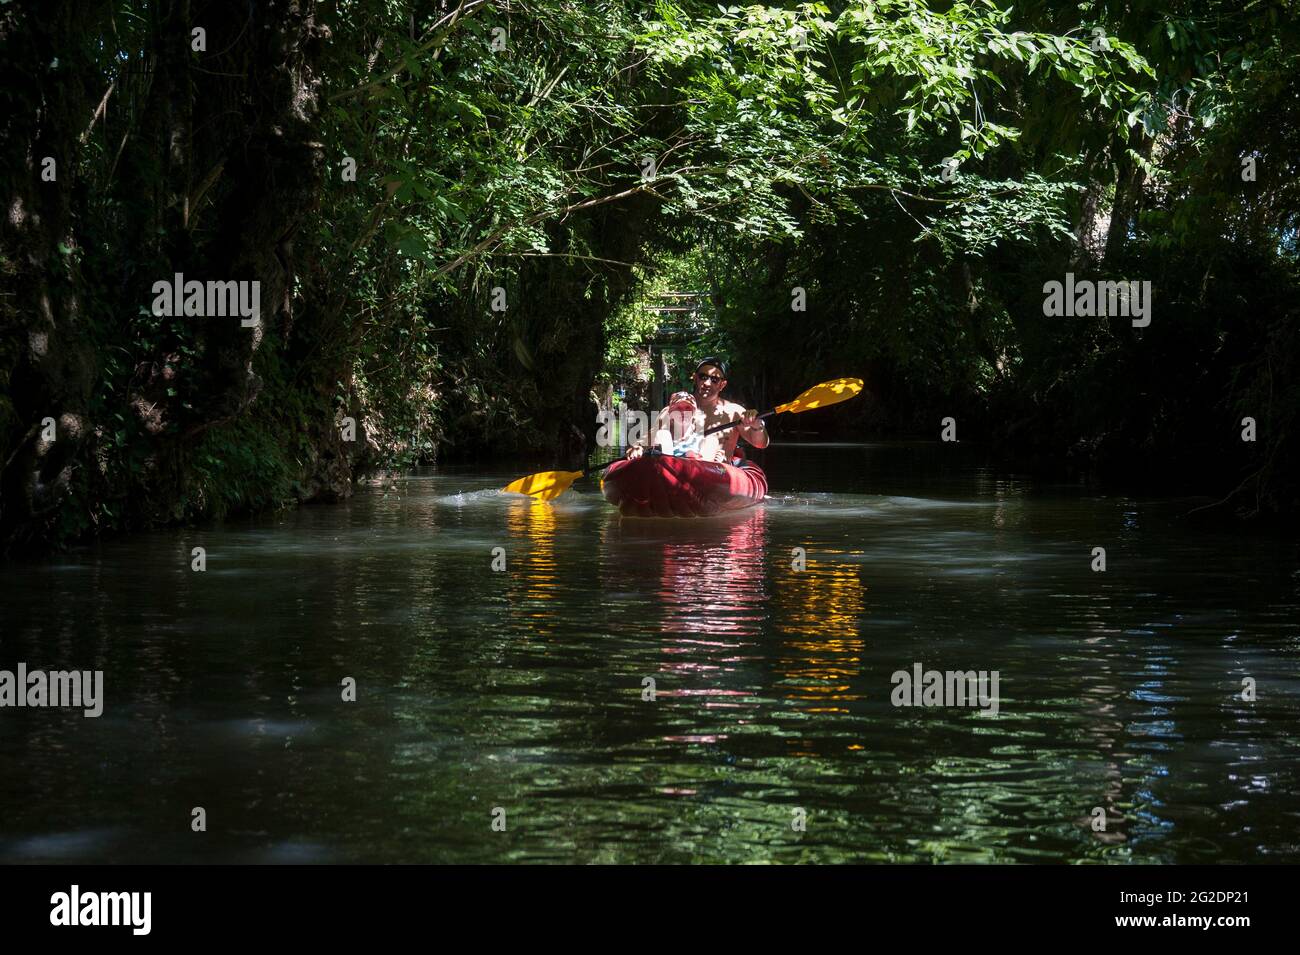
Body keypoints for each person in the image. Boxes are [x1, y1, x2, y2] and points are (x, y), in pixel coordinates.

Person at [626, 357, 769, 463]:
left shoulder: (734, 412)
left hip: (716, 473)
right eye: (703, 377)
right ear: (695, 378)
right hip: (676, 467)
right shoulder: (672, 410)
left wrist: (757, 426)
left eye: (714, 379)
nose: (707, 383)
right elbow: (653, 434)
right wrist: (638, 446)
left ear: (722, 384)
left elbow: (761, 444)